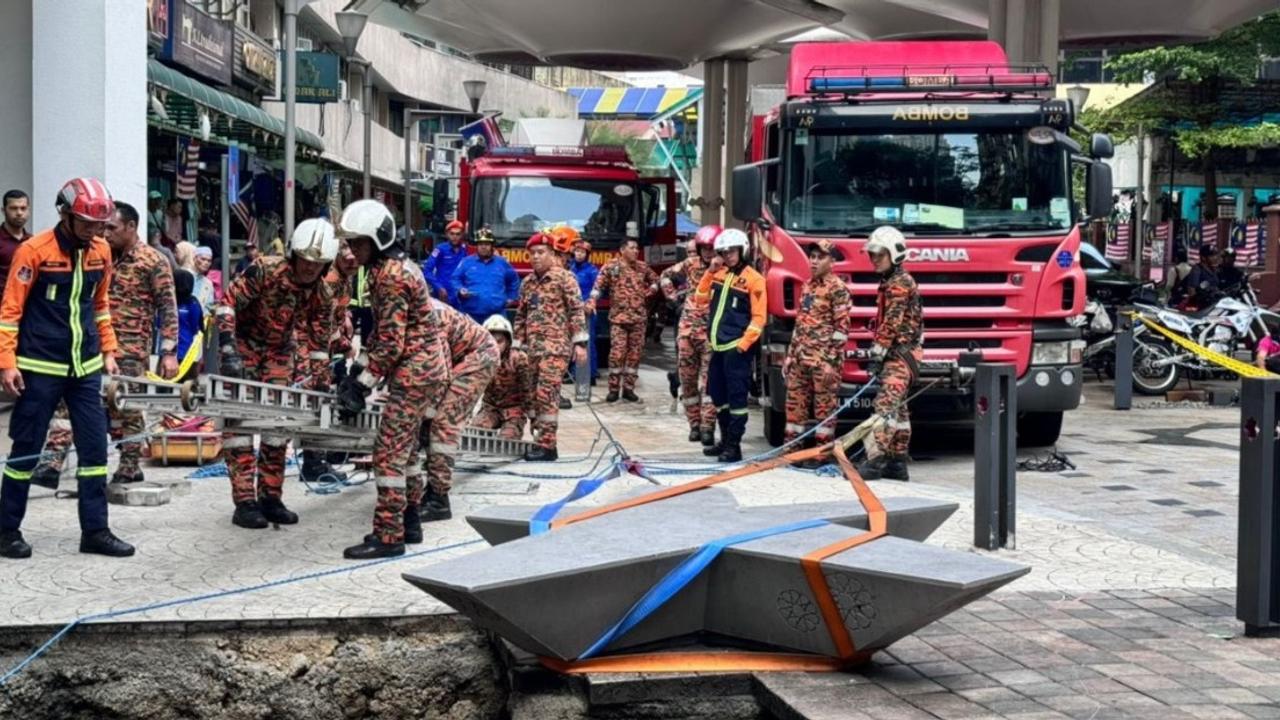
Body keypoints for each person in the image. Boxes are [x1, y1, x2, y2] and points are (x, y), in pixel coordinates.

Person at [0, 177, 133, 559]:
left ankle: (96, 530)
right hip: (40, 367)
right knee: (26, 450)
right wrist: (7, 363)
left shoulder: (101, 251)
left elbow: (100, 303)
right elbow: (10, 312)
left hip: (85, 367)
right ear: (66, 215)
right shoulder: (33, 251)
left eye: (99, 224)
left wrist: (109, 348)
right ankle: (7, 530)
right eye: (88, 223)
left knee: (94, 450)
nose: (95, 231)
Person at [31, 202, 181, 487]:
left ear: (131, 227)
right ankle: (51, 462)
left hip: (130, 349)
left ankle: (129, 465)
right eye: (103, 227)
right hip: (88, 343)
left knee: (125, 406)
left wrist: (169, 352)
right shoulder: (95, 255)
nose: (105, 233)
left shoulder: (153, 261)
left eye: (112, 227)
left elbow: (168, 308)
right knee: (68, 402)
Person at [335, 199, 450, 559]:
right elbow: (382, 335)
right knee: (409, 451)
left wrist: (361, 385)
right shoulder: (397, 268)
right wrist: (359, 371)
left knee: (388, 455)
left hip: (414, 374)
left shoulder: (390, 276)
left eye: (357, 243)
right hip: (424, 370)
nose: (352, 251)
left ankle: (389, 536)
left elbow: (390, 341)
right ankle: (410, 519)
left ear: (377, 240)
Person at [217, 218, 337, 530]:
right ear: (294, 255)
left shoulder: (323, 294)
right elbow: (227, 304)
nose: (310, 269)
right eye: (306, 261)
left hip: (280, 351)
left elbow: (319, 343)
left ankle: (270, 496)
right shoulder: (265, 270)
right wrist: (228, 348)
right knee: (239, 423)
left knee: (278, 424)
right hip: (242, 343)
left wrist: (322, 382)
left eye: (318, 264)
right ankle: (244, 501)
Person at [413, 299, 498, 521]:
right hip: (460, 358)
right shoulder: (407, 310)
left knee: (443, 424)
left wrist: (428, 413)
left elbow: (440, 375)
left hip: (480, 357)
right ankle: (431, 488)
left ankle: (438, 500)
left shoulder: (431, 317)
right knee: (431, 419)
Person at [513, 231, 588, 461]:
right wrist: (516, 346)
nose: (536, 257)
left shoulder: (565, 279)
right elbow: (521, 316)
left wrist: (580, 344)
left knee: (547, 394)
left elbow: (576, 310)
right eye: (532, 253)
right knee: (534, 395)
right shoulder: (527, 283)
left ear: (552, 254)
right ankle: (541, 438)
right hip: (534, 349)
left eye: (541, 253)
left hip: (556, 347)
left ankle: (547, 445)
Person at [694, 228, 766, 463]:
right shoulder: (719, 274)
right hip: (718, 347)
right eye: (724, 252)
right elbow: (700, 299)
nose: (728, 256)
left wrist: (743, 345)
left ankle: (734, 447)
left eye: (732, 251)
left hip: (736, 349)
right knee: (718, 396)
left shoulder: (754, 279)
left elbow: (759, 318)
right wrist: (709, 272)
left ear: (742, 250)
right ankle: (724, 441)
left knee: (737, 401)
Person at [856, 226, 922, 482]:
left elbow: (891, 323)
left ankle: (873, 462)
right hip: (904, 355)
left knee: (884, 408)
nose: (873, 259)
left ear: (894, 254)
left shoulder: (898, 285)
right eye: (871, 255)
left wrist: (876, 355)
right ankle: (896, 462)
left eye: (879, 255)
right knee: (900, 412)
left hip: (899, 356)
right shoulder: (892, 282)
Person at [783, 239, 851, 463]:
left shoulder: (838, 289)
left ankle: (823, 456)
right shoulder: (807, 285)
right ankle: (792, 453)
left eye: (820, 257)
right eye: (812, 257)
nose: (814, 261)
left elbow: (842, 330)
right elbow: (800, 323)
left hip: (823, 361)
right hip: (801, 358)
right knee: (794, 408)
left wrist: (830, 361)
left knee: (824, 410)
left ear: (831, 261)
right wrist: (790, 355)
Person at [660, 225, 719, 445]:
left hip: (710, 335)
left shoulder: (725, 270)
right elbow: (665, 276)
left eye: (710, 248)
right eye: (703, 248)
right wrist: (673, 297)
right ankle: (694, 424)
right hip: (687, 332)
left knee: (709, 384)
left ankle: (707, 426)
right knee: (688, 382)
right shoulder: (690, 264)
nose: (706, 253)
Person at [588, 238, 658, 402]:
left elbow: (656, 280)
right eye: (632, 248)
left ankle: (628, 389)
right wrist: (592, 301)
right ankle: (613, 389)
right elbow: (598, 287)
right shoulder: (612, 267)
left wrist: (649, 292)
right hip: (619, 320)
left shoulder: (642, 267)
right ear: (622, 250)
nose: (636, 251)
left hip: (638, 320)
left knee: (634, 355)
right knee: (617, 355)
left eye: (637, 248)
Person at [472, 314, 533, 439]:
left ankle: (513, 428)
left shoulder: (518, 359)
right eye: (491, 341)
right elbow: (471, 389)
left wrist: (533, 417)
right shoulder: (480, 358)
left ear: (508, 342)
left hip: (514, 409)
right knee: (476, 432)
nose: (495, 345)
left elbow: (528, 391)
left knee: (507, 440)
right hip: (490, 408)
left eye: (500, 341)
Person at [451, 228, 520, 324]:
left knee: (496, 339)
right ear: (477, 246)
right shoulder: (466, 262)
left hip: (497, 315)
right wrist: (460, 289)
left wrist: (512, 297)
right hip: (471, 315)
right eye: (480, 244)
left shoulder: (502, 263)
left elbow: (514, 280)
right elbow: (455, 279)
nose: (483, 247)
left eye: (487, 244)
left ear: (492, 246)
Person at [567, 238, 600, 385]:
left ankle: (590, 375)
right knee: (571, 342)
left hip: (586, 311)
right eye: (577, 251)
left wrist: (590, 303)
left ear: (587, 254)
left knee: (587, 342)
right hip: (571, 310)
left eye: (582, 252)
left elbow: (598, 289)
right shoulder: (570, 269)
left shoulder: (592, 270)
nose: (579, 254)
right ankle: (573, 373)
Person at [422, 220, 468, 303]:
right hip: (443, 295)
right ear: (447, 234)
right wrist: (439, 287)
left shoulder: (465, 250)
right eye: (452, 234)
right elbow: (427, 271)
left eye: (458, 234)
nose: (455, 237)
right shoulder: (440, 249)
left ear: (462, 235)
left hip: (460, 295)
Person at [0, 190, 31, 300]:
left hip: (27, 309)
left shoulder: (33, 242)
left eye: (23, 208)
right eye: (13, 208)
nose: (19, 213)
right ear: (4, 211)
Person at [173, 269, 204, 378]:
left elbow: (196, 326)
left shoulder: (192, 303)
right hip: (170, 352)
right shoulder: (169, 302)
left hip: (187, 353)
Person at [1176, 243, 1221, 311]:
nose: (1216, 258)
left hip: (1212, 305)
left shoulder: (1213, 271)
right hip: (1200, 307)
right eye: (1212, 255)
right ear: (1203, 257)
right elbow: (1191, 290)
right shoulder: (1197, 270)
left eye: (1216, 255)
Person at [192, 246, 217, 314]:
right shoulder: (186, 276)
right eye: (203, 259)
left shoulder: (208, 283)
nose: (206, 263)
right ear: (194, 258)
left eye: (209, 261)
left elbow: (209, 306)